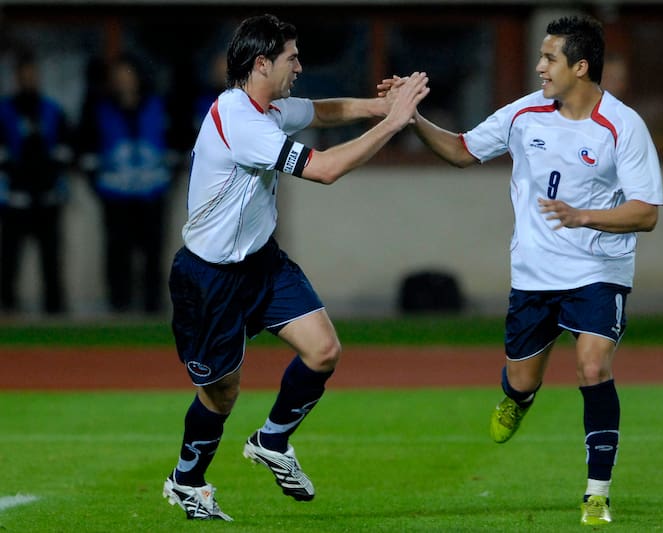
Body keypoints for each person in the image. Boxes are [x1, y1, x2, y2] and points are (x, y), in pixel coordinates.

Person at [382, 14, 663, 526]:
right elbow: (464, 151)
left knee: (594, 367)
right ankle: (517, 396)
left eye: (549, 58)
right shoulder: (524, 114)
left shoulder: (622, 126)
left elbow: (646, 212)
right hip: (534, 275)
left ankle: (596, 493)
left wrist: (585, 217)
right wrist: (412, 120)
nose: (538, 67)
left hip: (600, 267)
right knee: (521, 376)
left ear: (581, 66)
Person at [161, 13, 428, 521]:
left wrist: (382, 105)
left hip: (262, 264)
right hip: (210, 278)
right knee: (221, 394)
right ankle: (187, 482)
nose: (300, 66)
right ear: (262, 63)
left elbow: (324, 112)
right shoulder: (241, 121)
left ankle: (272, 439)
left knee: (324, 350)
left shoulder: (270, 107)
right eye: (292, 57)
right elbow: (324, 170)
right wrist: (394, 123)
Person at [77, 54, 177, 313]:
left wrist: (167, 179)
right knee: (117, 252)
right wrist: (99, 185)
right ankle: (118, 304)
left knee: (153, 251)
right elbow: (86, 150)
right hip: (115, 195)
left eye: (127, 74)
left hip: (152, 193)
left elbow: (177, 146)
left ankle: (152, 306)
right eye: (118, 76)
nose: (123, 81)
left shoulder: (158, 106)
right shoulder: (100, 109)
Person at [0, 50, 72, 314]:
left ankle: (55, 306)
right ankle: (7, 304)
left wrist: (52, 172)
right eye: (24, 75)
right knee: (10, 256)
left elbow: (65, 149)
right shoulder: (5, 110)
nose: (29, 79)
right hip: (15, 196)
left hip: (47, 195)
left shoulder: (51, 110)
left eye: (33, 75)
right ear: (17, 78)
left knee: (51, 256)